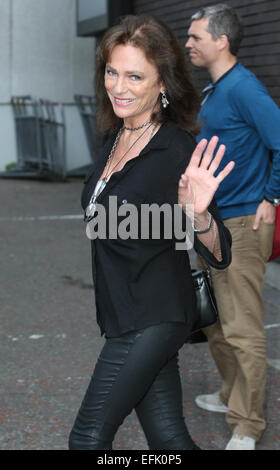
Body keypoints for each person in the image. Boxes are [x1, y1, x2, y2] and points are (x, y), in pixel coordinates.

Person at [68, 15, 233, 451]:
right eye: (112, 71)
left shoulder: (175, 149)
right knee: (168, 438)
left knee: (86, 439)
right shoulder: (115, 136)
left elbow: (220, 255)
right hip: (125, 312)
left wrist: (196, 215)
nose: (119, 87)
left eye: (135, 76)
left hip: (152, 317)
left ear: (162, 82)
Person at [185, 3, 280, 451]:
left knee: (242, 326)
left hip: (243, 220)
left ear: (221, 42)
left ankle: (247, 424)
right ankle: (229, 396)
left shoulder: (244, 89)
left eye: (196, 37)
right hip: (213, 219)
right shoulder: (214, 90)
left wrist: (271, 197)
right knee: (217, 321)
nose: (188, 43)